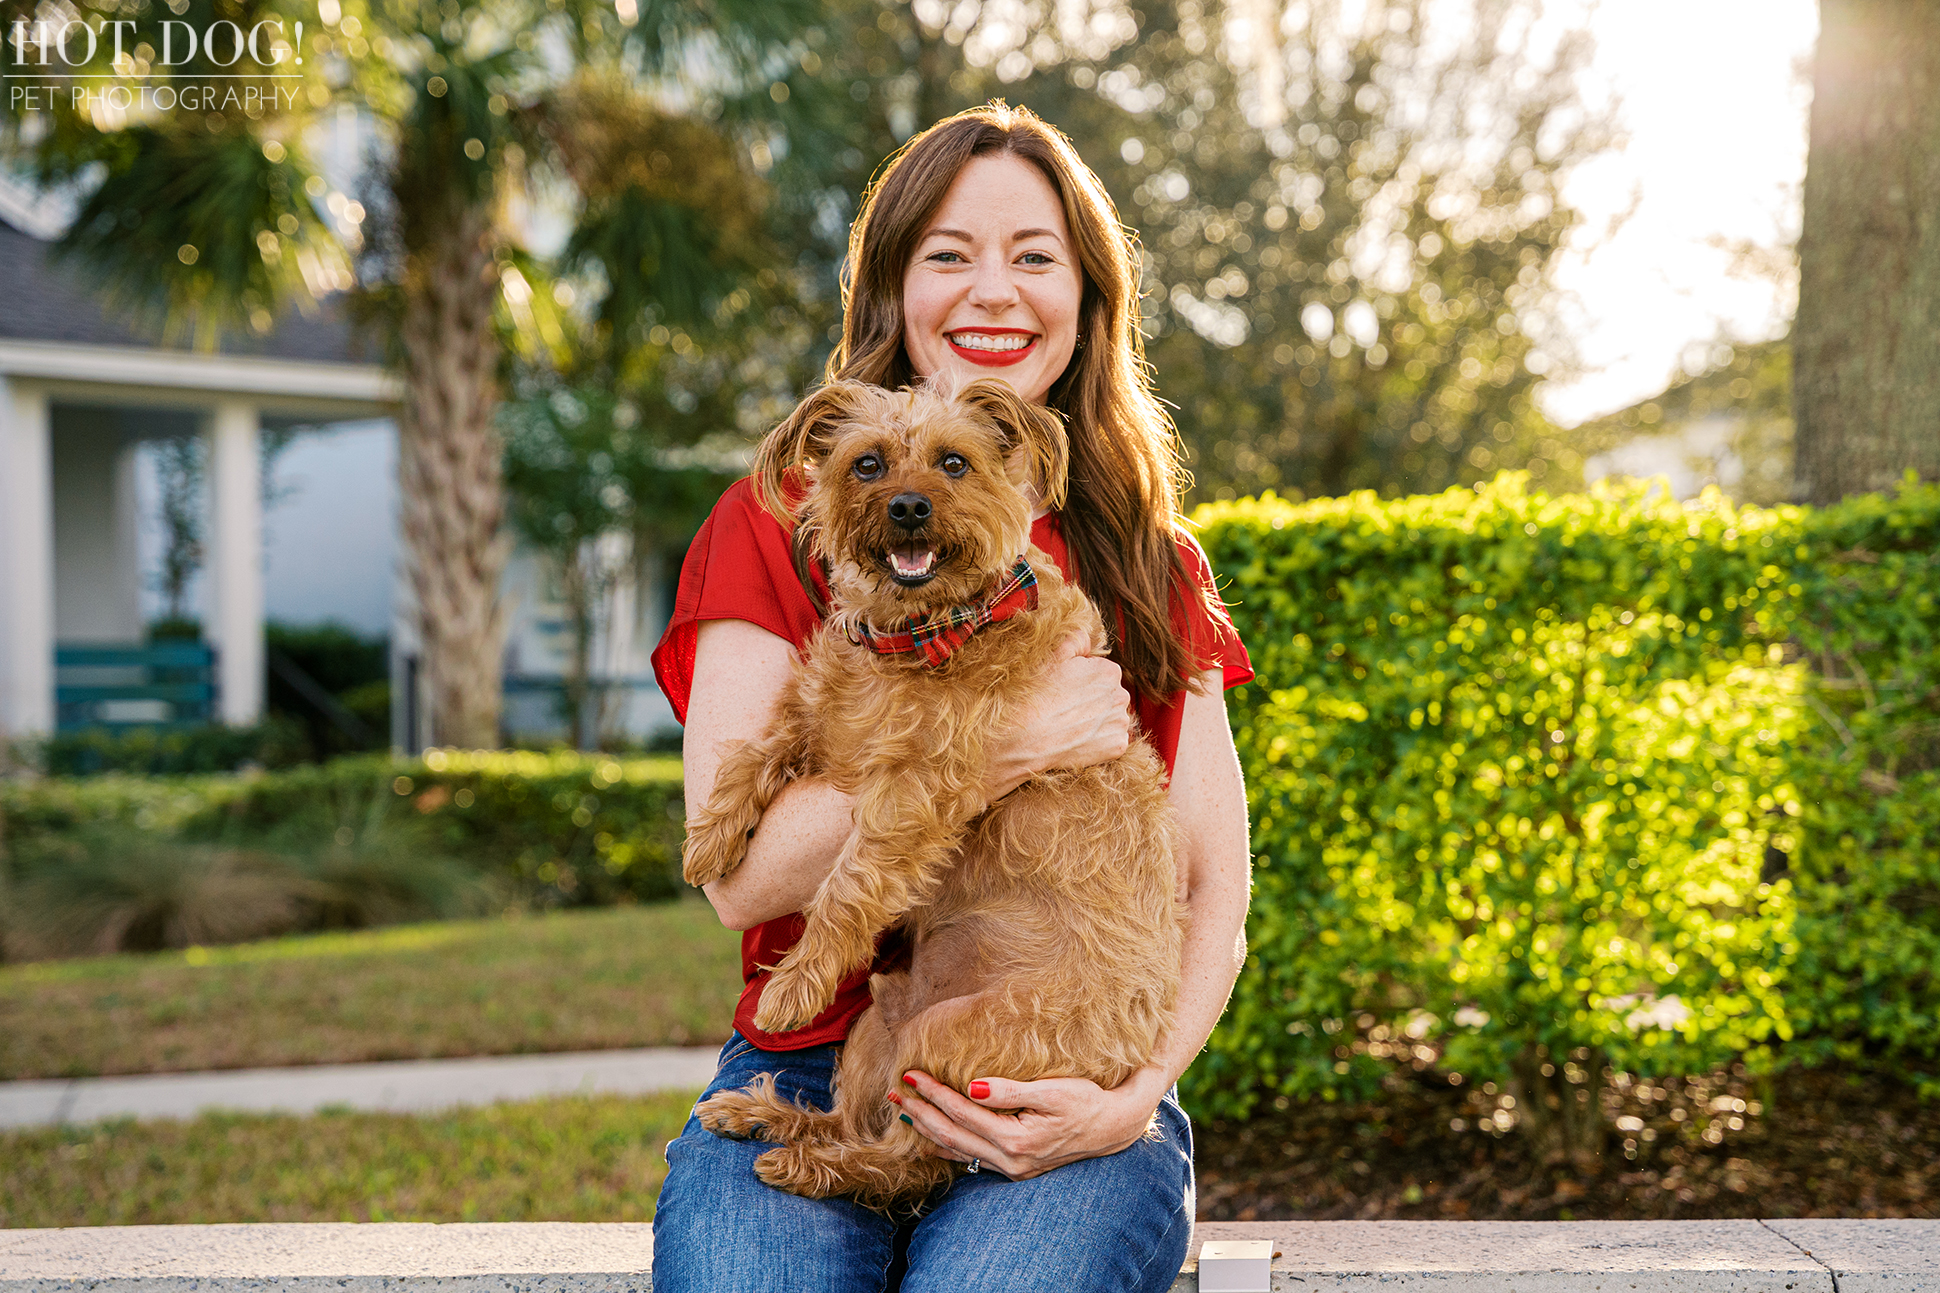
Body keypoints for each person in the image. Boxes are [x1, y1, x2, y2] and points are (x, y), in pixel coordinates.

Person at [648, 102, 1253, 1293]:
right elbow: (739, 880)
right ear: (889, 291)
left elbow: (1213, 883)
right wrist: (1003, 744)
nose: (993, 293)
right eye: (946, 255)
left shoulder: (1146, 556)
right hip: (817, 1058)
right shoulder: (772, 519)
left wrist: (1132, 1099)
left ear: (1086, 296)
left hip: (1067, 1071)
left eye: (1034, 258)